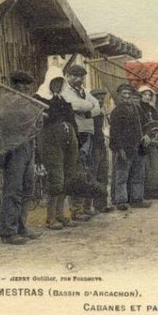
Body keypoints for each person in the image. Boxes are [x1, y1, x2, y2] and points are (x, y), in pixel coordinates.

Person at [0, 71, 42, 245]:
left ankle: (22, 227)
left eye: (28, 86)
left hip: (28, 146)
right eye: (21, 85)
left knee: (27, 188)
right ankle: (8, 231)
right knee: (13, 190)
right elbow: (6, 123)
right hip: (13, 148)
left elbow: (35, 125)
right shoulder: (7, 101)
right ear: (14, 85)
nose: (25, 88)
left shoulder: (28, 102)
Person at [34, 77, 80, 230]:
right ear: (49, 83)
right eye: (54, 83)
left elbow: (72, 119)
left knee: (68, 177)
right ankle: (51, 217)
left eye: (60, 83)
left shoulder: (63, 100)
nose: (57, 86)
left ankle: (61, 214)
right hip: (51, 142)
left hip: (68, 140)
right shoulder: (39, 99)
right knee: (56, 179)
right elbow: (37, 124)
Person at [62, 65, 101, 221]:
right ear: (68, 76)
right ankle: (76, 210)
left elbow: (97, 106)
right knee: (76, 171)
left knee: (87, 170)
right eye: (75, 76)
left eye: (81, 76)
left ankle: (86, 206)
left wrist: (87, 110)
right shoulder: (65, 92)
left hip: (88, 133)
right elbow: (74, 105)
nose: (79, 79)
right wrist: (88, 108)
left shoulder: (85, 92)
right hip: (75, 134)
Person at [109, 83, 151, 210]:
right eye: (124, 94)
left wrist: (147, 135)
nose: (126, 96)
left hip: (139, 146)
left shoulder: (138, 109)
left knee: (138, 174)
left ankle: (137, 199)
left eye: (128, 94)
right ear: (119, 96)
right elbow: (114, 133)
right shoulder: (116, 112)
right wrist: (120, 149)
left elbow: (147, 124)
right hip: (125, 148)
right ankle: (121, 201)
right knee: (122, 175)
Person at [138, 85, 158, 199]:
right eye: (145, 95)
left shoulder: (151, 109)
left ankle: (155, 189)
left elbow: (156, 122)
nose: (147, 97)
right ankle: (145, 191)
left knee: (155, 164)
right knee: (146, 165)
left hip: (153, 138)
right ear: (140, 96)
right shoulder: (138, 108)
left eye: (149, 95)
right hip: (143, 138)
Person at [90, 88, 113, 213]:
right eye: (98, 98)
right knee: (92, 174)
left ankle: (101, 204)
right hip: (92, 145)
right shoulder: (91, 110)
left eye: (102, 98)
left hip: (101, 143)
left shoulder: (102, 111)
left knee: (103, 174)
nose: (100, 100)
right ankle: (89, 206)